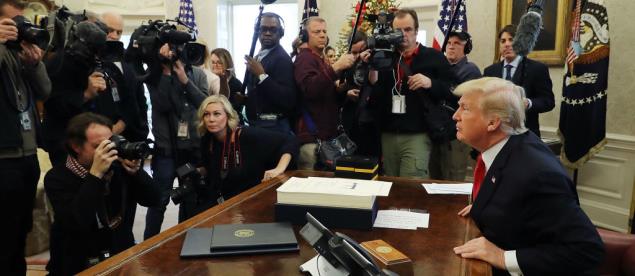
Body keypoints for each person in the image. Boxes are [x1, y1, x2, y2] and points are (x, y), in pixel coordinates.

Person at [452, 77, 604, 275]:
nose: (455, 116)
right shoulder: (508, 146)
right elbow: (518, 202)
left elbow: (586, 250)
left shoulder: (538, 175)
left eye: (465, 108)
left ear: (493, 122)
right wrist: (490, 205)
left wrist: (501, 257)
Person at [44, 112, 160, 275]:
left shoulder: (118, 168)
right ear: (76, 146)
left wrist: (136, 173)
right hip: (77, 262)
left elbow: (155, 199)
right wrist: (95, 175)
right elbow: (76, 223)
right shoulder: (57, 178)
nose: (109, 150)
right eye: (99, 146)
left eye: (111, 142)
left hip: (121, 256)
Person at [368, 8, 453, 178]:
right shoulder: (384, 58)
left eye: (407, 29)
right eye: (398, 31)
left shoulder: (433, 57)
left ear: (416, 30)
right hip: (388, 133)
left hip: (417, 134)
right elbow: (375, 96)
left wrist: (430, 83)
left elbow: (451, 91)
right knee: (390, 184)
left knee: (411, 185)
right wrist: (371, 71)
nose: (403, 35)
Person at [0, 0, 52, 273]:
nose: (19, 30)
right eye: (12, 23)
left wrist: (34, 64)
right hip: (4, 159)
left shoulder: (18, 54)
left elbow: (45, 91)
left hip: (27, 156)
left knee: (21, 229)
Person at [143, 42, 209, 239]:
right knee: (159, 200)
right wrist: (165, 72)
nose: (176, 53)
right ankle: (149, 244)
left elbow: (204, 104)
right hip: (166, 150)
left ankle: (187, 241)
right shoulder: (154, 75)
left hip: (192, 148)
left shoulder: (197, 73)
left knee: (189, 197)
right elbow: (162, 104)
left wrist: (185, 80)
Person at [196, 95, 298, 212]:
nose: (211, 119)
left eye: (217, 114)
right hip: (226, 201)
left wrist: (279, 169)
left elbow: (290, 140)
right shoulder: (207, 140)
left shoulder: (246, 135)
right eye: (206, 114)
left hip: (256, 199)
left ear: (228, 116)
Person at [42, 20, 112, 166]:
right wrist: (85, 95)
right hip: (64, 140)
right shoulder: (59, 63)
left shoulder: (91, 63)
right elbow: (53, 103)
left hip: (90, 138)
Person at [293, 16, 355, 170]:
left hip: (325, 137)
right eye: (316, 32)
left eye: (324, 31)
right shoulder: (304, 59)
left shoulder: (320, 60)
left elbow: (327, 97)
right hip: (312, 140)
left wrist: (341, 90)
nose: (322, 35)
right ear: (306, 36)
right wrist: (335, 68)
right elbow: (310, 89)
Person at [483, 24, 554, 137]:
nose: (507, 44)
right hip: (496, 134)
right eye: (503, 41)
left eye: (512, 40)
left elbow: (548, 101)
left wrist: (528, 103)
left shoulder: (537, 69)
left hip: (525, 134)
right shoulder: (490, 71)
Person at [429, 31, 481, 181]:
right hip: (435, 129)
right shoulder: (438, 67)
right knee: (434, 175)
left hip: (456, 132)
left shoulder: (471, 70)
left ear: (466, 47)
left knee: (453, 176)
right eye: (449, 43)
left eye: (457, 43)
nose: (451, 47)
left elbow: (461, 97)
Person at [100, 11, 150, 143]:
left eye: (119, 32)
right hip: (102, 141)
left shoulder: (130, 61)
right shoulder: (90, 60)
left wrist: (142, 133)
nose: (115, 36)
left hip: (134, 139)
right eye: (110, 30)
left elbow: (140, 101)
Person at [243, 12, 297, 133]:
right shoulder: (259, 56)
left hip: (274, 127)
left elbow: (288, 99)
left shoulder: (282, 59)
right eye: (263, 29)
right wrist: (247, 99)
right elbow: (261, 94)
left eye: (273, 30)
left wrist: (262, 76)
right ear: (258, 32)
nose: (267, 33)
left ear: (280, 33)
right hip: (258, 124)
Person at [210, 48, 244, 119]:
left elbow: (234, 109)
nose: (215, 65)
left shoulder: (236, 84)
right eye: (212, 62)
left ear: (227, 64)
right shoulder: (209, 81)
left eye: (219, 62)